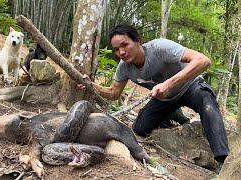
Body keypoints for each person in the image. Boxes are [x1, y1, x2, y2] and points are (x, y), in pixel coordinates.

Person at [91, 24, 229, 166]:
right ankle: (174, 115)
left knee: (207, 103)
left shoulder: (159, 47)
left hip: (191, 86)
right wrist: (90, 85)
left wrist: (168, 84)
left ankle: (223, 159)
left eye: (125, 45)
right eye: (116, 50)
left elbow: (203, 60)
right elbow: (113, 93)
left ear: (137, 40)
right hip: (165, 98)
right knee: (140, 128)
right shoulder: (124, 67)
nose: (122, 52)